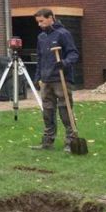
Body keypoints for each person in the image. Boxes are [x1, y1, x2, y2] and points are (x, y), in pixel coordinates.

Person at [31, 8, 79, 152]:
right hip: (46, 80)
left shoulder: (63, 34)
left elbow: (74, 54)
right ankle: (47, 142)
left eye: (41, 21)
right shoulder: (41, 37)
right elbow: (40, 58)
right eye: (38, 22)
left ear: (51, 17)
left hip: (61, 78)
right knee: (47, 111)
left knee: (65, 110)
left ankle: (71, 142)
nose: (39, 24)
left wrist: (64, 63)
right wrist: (37, 77)